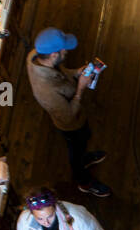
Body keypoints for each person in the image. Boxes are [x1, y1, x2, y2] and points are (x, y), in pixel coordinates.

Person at [26, 26, 110, 198]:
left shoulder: (37, 54)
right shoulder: (46, 90)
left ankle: (84, 158)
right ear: (54, 55)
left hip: (77, 116)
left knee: (84, 140)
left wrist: (75, 73)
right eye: (64, 51)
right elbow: (69, 116)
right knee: (76, 152)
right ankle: (84, 182)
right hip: (70, 125)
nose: (67, 53)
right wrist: (80, 88)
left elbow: (60, 72)